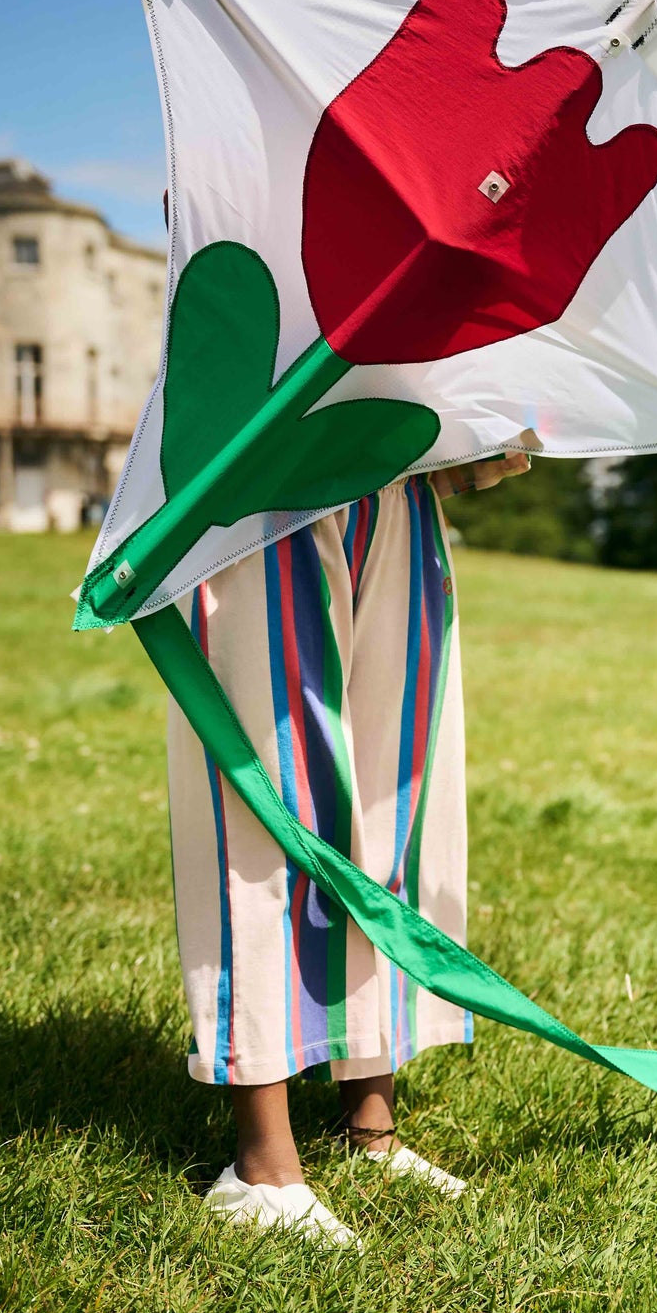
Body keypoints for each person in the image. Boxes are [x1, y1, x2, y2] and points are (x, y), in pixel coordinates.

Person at [166, 452, 530, 1248]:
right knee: (264, 813)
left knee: (393, 807)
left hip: (399, 491)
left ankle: (369, 1126)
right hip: (264, 481)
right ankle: (261, 1168)